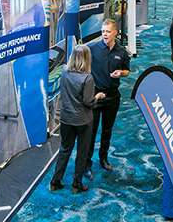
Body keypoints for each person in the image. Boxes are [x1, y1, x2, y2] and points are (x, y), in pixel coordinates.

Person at [50, 45, 106, 194]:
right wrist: (98, 97)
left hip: (66, 118)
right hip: (83, 120)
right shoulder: (87, 78)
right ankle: (77, 183)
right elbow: (88, 102)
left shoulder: (64, 71)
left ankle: (56, 180)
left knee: (64, 149)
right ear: (87, 59)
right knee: (82, 151)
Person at [86, 19, 130, 177]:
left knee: (107, 130)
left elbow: (127, 71)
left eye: (108, 31)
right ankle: (86, 163)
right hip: (96, 97)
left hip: (113, 97)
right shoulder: (92, 48)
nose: (104, 34)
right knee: (90, 132)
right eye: (103, 31)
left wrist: (121, 73)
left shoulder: (121, 51)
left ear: (115, 33)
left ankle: (103, 158)